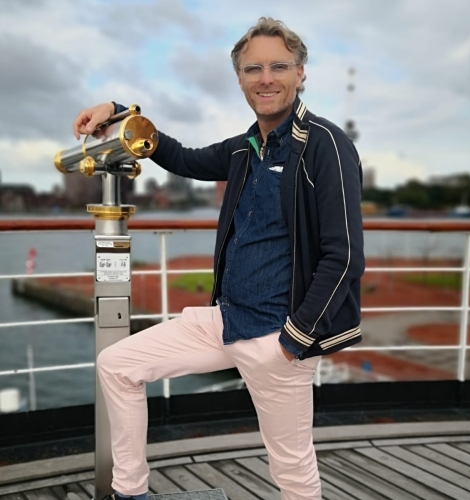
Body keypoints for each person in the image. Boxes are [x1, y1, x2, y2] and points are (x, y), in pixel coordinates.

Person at [73, 16, 364, 500]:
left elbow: (345, 255)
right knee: (117, 365)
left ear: (300, 73)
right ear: (240, 79)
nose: (265, 78)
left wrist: (294, 340)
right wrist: (121, 112)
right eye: (253, 69)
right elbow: (181, 157)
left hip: (277, 335)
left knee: (292, 470)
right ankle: (130, 492)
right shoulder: (246, 148)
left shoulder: (326, 144)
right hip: (224, 320)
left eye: (278, 66)